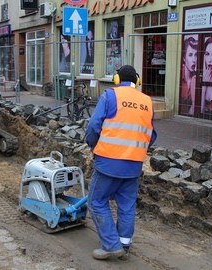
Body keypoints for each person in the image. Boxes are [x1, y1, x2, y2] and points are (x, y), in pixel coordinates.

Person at [85, 65, 157, 260]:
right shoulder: (147, 102)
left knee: (97, 202)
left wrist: (93, 145)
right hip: (133, 165)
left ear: (116, 79)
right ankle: (124, 244)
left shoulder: (110, 96)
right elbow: (152, 135)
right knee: (127, 205)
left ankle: (111, 245)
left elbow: (93, 126)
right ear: (138, 81)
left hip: (108, 161)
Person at [180, 36, 198, 115]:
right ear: (184, 58)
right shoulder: (180, 77)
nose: (194, 60)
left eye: (196, 55)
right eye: (190, 55)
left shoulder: (197, 79)